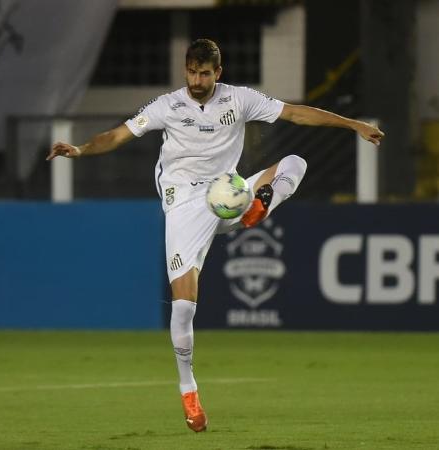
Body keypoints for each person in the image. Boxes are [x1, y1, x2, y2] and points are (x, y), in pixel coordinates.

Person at [47, 38, 384, 433]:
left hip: (228, 193)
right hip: (185, 207)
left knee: (296, 162)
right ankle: (189, 391)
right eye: (192, 71)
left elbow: (295, 114)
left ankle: (258, 207)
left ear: (218, 73)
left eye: (205, 73)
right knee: (184, 307)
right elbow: (120, 134)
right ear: (186, 70)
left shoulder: (238, 100)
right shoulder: (168, 106)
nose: (197, 79)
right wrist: (81, 149)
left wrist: (353, 125)